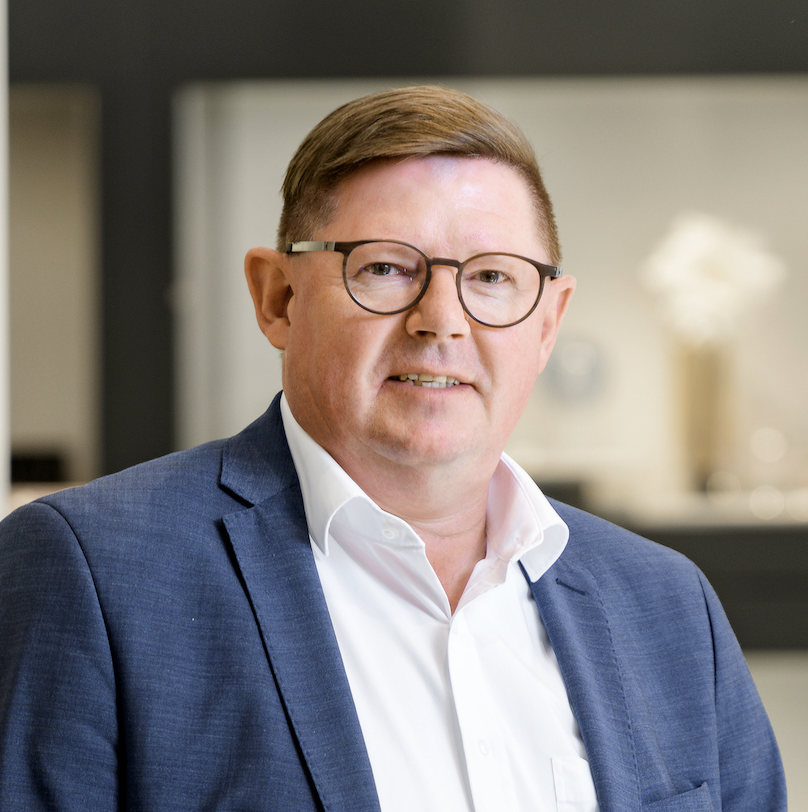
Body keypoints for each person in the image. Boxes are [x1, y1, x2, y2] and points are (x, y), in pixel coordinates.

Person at [0, 85, 785, 812]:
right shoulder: (93, 573)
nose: (441, 320)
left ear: (548, 321)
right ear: (278, 298)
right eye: (383, 267)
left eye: (492, 278)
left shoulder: (668, 605)